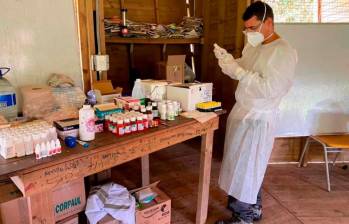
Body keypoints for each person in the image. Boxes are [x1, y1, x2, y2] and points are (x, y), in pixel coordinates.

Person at [214, 1, 298, 224]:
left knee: (247, 168)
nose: (248, 32)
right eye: (247, 28)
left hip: (259, 117)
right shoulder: (254, 45)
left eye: (252, 27)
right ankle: (253, 208)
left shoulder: (283, 52)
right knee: (242, 166)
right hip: (242, 112)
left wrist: (239, 71)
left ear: (268, 22)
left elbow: (271, 88)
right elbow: (243, 68)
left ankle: (243, 217)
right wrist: (228, 61)